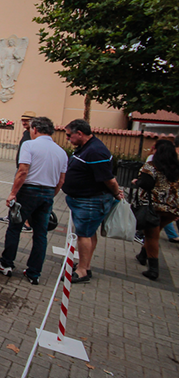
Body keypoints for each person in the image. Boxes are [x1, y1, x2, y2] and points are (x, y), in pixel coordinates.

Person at [0, 117, 67, 284]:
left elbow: (23, 171)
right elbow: (61, 180)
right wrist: (51, 195)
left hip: (28, 190)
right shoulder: (61, 152)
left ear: (35, 129)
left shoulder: (29, 145)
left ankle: (6, 263)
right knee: (41, 234)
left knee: (14, 227)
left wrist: (13, 193)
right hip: (48, 192)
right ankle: (34, 272)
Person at [62, 119, 124, 283]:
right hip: (84, 199)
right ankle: (85, 264)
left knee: (84, 235)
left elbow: (109, 179)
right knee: (88, 233)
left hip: (91, 200)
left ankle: (82, 270)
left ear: (80, 133)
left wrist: (117, 193)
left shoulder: (96, 151)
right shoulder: (86, 148)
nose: (68, 139)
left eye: (69, 135)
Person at [133, 139, 179, 280]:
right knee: (155, 230)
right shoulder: (176, 167)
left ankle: (153, 269)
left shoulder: (151, 166)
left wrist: (137, 181)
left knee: (152, 236)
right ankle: (143, 255)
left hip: (154, 207)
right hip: (172, 208)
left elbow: (146, 184)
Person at [0, 110, 37, 229]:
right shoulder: (26, 133)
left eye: (27, 120)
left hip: (24, 169)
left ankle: (26, 222)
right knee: (17, 193)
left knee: (20, 193)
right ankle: (12, 216)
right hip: (21, 167)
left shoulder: (33, 134)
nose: (24, 122)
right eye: (23, 120)